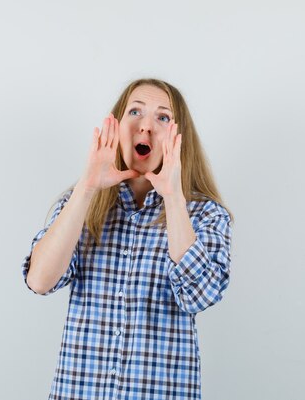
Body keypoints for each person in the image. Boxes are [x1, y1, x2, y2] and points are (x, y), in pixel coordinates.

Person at [21, 78, 234, 400]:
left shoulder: (206, 214)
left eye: (162, 117)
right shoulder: (80, 205)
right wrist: (88, 187)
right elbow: (39, 280)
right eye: (135, 112)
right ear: (118, 127)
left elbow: (198, 297)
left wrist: (174, 197)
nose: (146, 126)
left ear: (179, 138)